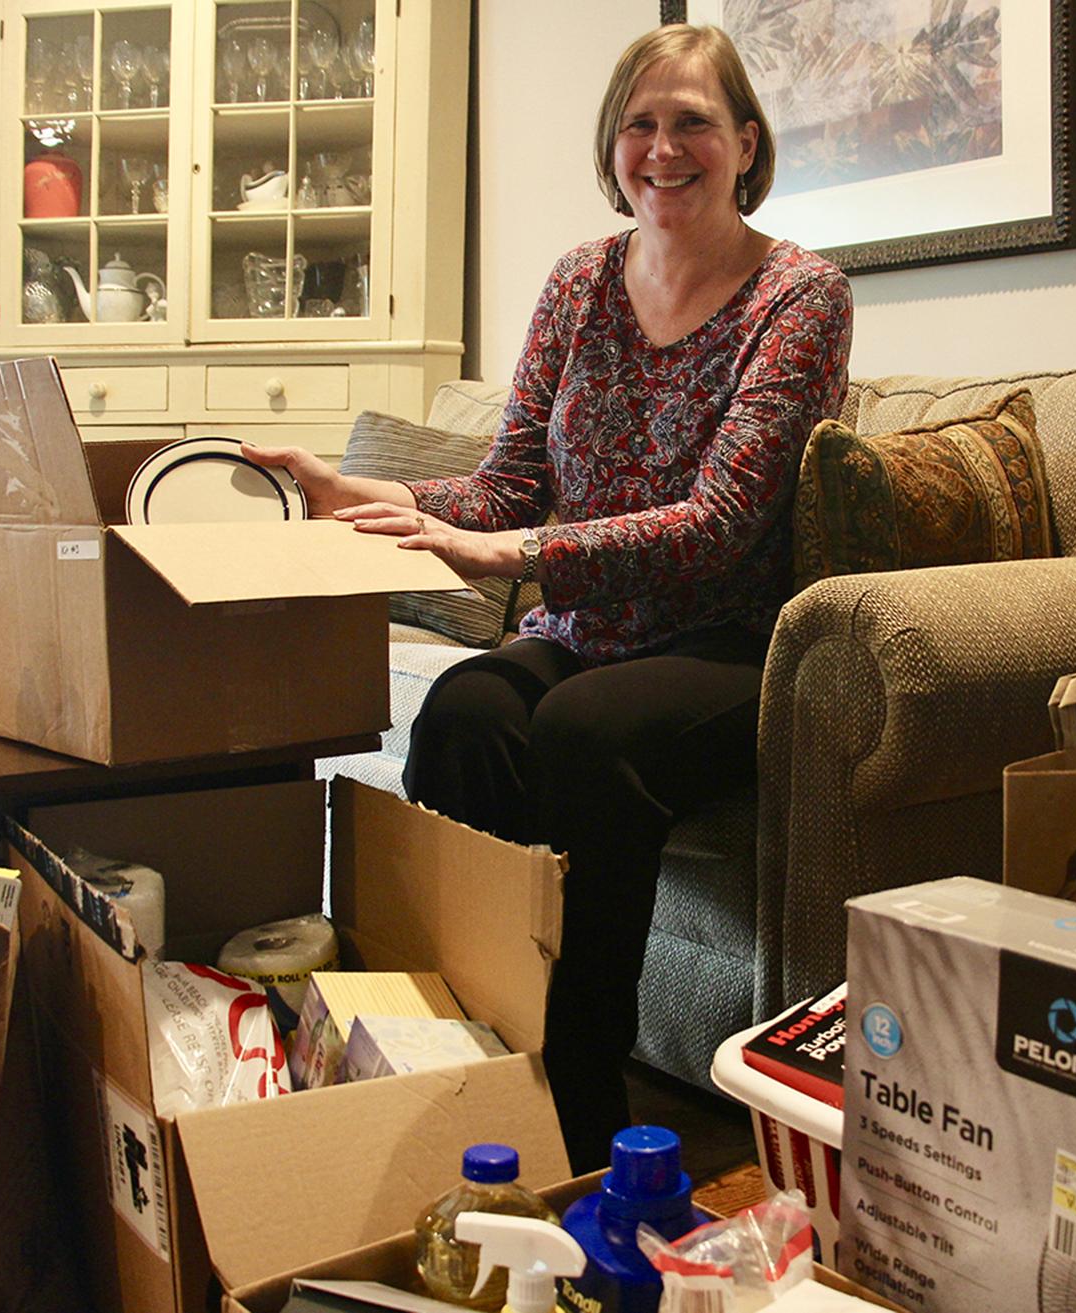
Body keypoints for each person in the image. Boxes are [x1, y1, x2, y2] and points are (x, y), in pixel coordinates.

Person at [242, 24, 853, 1170]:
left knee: (582, 728)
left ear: (746, 143)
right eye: (641, 123)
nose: (663, 148)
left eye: (693, 123)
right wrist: (358, 488)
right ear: (613, 145)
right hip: (583, 631)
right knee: (469, 707)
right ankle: (452, 1059)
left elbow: (721, 520)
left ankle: (580, 1106)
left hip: (723, 647)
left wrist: (516, 552)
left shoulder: (800, 296)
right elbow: (508, 475)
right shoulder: (581, 279)